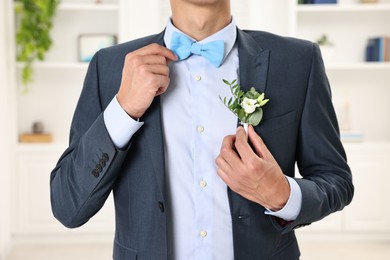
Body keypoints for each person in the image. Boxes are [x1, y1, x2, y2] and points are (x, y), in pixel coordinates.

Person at [50, 0, 354, 259]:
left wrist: (283, 195)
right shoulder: (110, 66)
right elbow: (68, 205)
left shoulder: (298, 61)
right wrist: (124, 109)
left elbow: (336, 181)